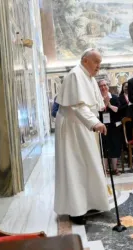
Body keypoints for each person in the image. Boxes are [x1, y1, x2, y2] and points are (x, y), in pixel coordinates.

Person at [54, 48, 109, 225]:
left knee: (89, 164)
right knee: (75, 166)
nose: (98, 66)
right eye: (96, 62)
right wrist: (95, 123)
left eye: (99, 63)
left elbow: (93, 104)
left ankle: (91, 202)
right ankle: (75, 210)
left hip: (83, 126)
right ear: (85, 60)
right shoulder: (75, 75)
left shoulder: (88, 76)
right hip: (73, 128)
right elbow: (78, 106)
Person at [98, 79, 122, 175]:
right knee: (104, 147)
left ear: (108, 86)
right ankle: (105, 169)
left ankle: (115, 168)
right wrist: (104, 104)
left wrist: (109, 104)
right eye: (101, 86)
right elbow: (97, 111)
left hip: (114, 126)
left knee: (114, 146)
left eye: (105, 85)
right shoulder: (97, 99)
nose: (103, 87)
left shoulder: (115, 98)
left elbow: (118, 110)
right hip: (102, 126)